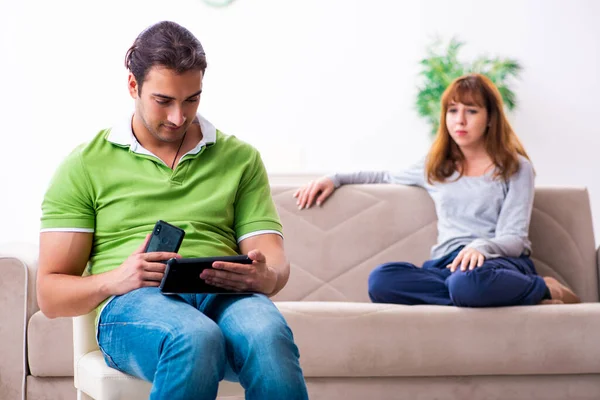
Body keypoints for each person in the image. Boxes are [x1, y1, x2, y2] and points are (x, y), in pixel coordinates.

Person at [37, 21, 308, 400]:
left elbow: (276, 265)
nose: (179, 118)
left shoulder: (240, 159)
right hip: (131, 305)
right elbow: (49, 294)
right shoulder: (84, 164)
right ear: (133, 86)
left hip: (223, 296)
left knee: (268, 334)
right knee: (195, 337)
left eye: (192, 99)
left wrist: (265, 278)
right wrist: (116, 279)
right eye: (163, 101)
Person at [294, 73, 580, 308]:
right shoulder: (437, 166)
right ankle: (496, 294)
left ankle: (543, 287)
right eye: (453, 111)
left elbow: (515, 238)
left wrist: (480, 246)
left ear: (490, 118)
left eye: (471, 111)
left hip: (497, 264)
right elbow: (384, 175)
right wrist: (334, 178)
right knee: (381, 280)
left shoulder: (515, 167)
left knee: (468, 283)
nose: (460, 120)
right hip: (446, 267)